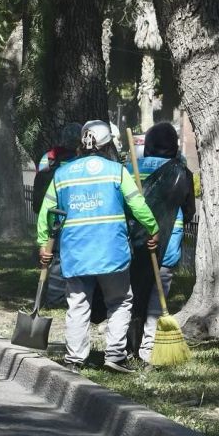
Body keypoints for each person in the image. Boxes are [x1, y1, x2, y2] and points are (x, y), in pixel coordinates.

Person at [36, 120, 159, 374]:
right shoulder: (117, 171)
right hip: (111, 252)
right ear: (107, 145)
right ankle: (115, 354)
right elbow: (137, 205)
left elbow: (47, 212)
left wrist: (42, 242)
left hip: (76, 252)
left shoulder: (63, 174)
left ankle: (74, 358)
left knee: (78, 304)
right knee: (120, 301)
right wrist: (153, 228)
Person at [128, 122, 196, 362]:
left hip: (130, 249)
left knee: (131, 298)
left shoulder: (129, 168)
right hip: (166, 249)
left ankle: (128, 345)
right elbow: (188, 212)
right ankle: (148, 349)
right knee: (157, 302)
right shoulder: (182, 173)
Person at [33, 122, 83, 307]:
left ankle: (54, 299)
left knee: (55, 258)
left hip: (52, 214)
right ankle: (69, 297)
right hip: (76, 213)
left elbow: (39, 184)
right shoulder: (82, 160)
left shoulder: (49, 157)